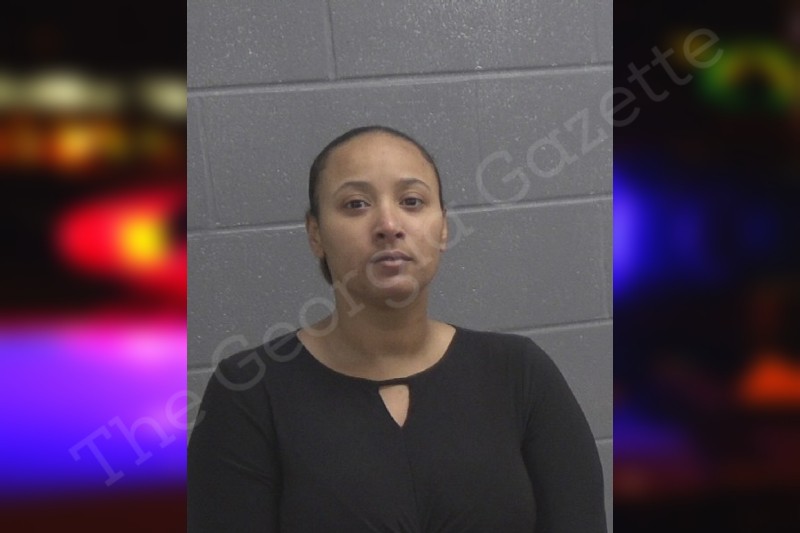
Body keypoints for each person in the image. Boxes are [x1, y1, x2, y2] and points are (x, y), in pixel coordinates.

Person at [187, 125, 607, 532]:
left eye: (412, 201)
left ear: (443, 227)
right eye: (356, 204)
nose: (389, 224)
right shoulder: (249, 393)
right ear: (315, 234)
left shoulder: (519, 374)